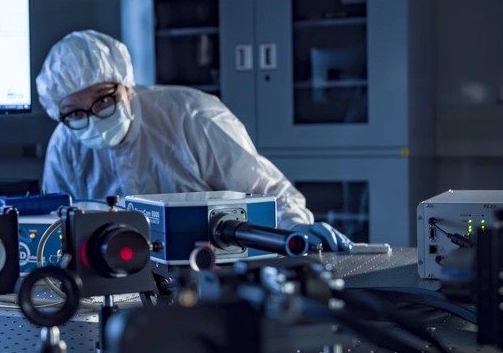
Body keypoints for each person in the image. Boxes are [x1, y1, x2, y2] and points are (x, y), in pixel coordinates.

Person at [35, 29, 353, 252]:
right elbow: (54, 226)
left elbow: (268, 195)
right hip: (114, 282)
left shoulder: (192, 118)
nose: (91, 118)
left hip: (209, 276)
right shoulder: (65, 146)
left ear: (127, 86)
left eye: (104, 100)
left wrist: (294, 232)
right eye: (75, 113)